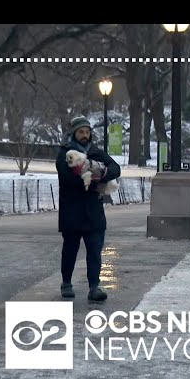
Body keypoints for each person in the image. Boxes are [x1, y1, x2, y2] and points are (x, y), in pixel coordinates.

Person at [56, 116, 121, 301]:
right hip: (72, 211)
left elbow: (116, 168)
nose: (84, 135)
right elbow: (67, 179)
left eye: (87, 132)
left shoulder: (95, 152)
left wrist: (101, 174)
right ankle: (66, 283)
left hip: (93, 212)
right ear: (74, 133)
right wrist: (93, 179)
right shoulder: (65, 153)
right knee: (70, 250)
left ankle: (94, 287)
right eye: (81, 132)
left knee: (94, 251)